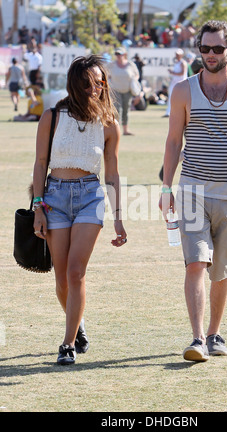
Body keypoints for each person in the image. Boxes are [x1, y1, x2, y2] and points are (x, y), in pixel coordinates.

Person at [159, 20, 227, 362]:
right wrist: (166, 187)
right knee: (195, 263)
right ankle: (197, 340)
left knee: (221, 269)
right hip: (191, 190)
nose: (210, 54)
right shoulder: (182, 90)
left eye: (217, 49)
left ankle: (215, 334)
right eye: (204, 48)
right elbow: (174, 141)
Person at [32, 55, 127, 365]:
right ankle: (79, 323)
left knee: (76, 273)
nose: (94, 88)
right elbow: (40, 163)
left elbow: (112, 172)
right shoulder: (53, 116)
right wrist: (38, 207)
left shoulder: (110, 122)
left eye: (99, 82)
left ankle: (68, 344)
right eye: (87, 83)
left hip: (90, 196)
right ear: (74, 85)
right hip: (55, 197)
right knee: (61, 278)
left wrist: (118, 217)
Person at [106, 47, 139, 135]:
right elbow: (105, 74)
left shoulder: (130, 64)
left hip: (127, 90)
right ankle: (116, 129)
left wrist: (133, 81)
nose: (118, 56)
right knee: (116, 110)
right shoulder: (112, 65)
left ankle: (125, 130)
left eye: (120, 54)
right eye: (117, 54)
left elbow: (136, 75)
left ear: (124, 55)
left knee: (126, 110)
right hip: (116, 90)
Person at [163, 48, 188, 117]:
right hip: (174, 83)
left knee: (182, 98)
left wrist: (173, 73)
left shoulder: (183, 63)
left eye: (178, 54)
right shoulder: (177, 63)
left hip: (181, 83)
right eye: (176, 54)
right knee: (171, 97)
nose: (176, 56)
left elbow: (183, 73)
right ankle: (169, 112)